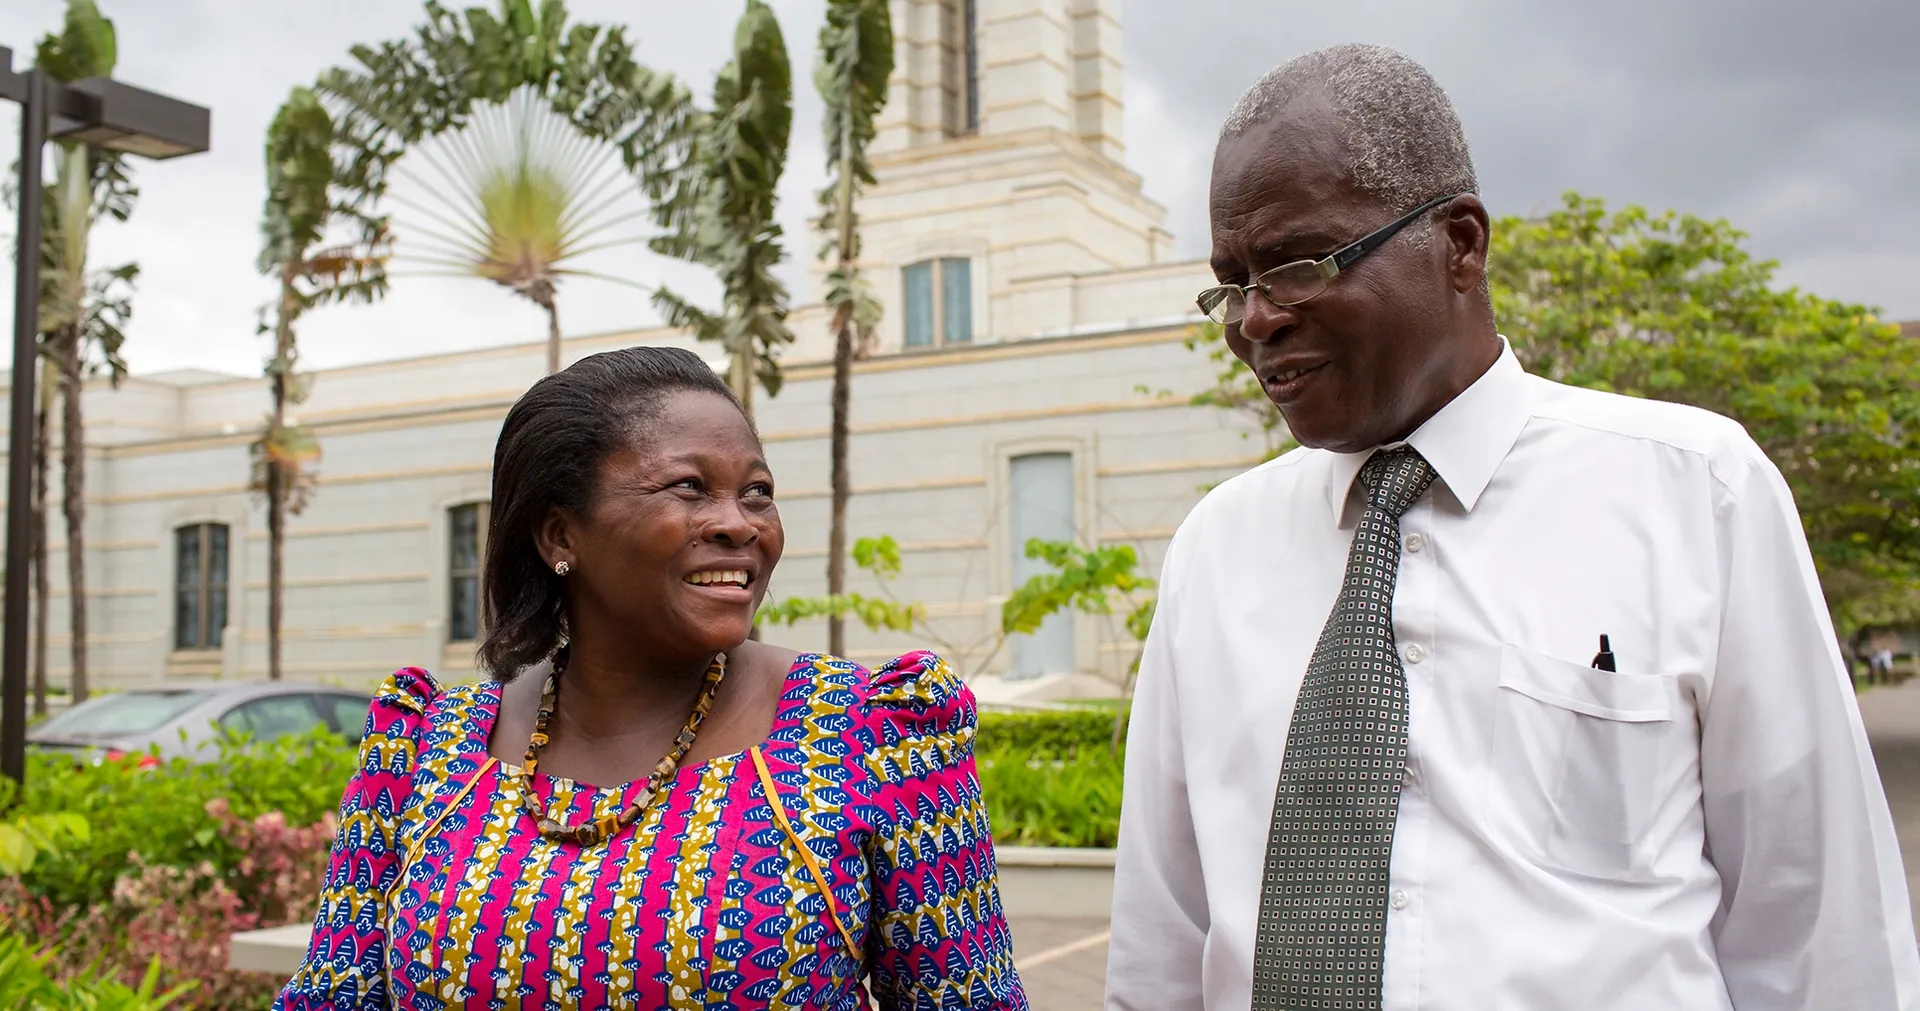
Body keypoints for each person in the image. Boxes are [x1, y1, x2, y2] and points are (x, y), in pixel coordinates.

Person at [1106, 44, 1920, 1011]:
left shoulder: (1697, 492)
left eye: (1296, 265)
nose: (1254, 320)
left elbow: (1821, 931)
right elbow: (1164, 945)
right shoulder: (1217, 550)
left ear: (1460, 244)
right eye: (1232, 282)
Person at [275, 347, 1027, 1009]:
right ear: (561, 533)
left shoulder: (872, 733)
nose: (740, 522)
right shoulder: (427, 751)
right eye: (689, 487)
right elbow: (336, 992)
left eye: (756, 491)